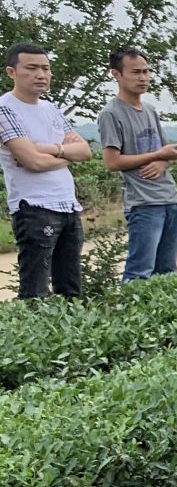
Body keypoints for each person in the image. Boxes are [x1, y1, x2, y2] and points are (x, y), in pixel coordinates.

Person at [0, 44, 90, 299]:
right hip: (34, 208)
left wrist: (51, 149)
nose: (41, 74)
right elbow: (33, 162)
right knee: (36, 292)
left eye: (46, 68)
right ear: (12, 72)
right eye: (32, 68)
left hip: (68, 206)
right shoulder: (5, 109)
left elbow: (84, 151)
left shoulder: (50, 108)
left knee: (71, 290)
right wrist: (65, 155)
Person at [98, 46, 177, 281]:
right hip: (144, 204)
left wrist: (163, 162)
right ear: (116, 75)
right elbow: (112, 161)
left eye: (146, 72)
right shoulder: (111, 113)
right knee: (139, 273)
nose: (143, 78)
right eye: (136, 72)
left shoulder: (150, 110)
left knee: (167, 272)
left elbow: (167, 153)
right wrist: (156, 156)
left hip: (169, 198)